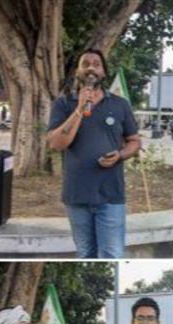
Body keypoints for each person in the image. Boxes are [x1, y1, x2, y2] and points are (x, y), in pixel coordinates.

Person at [48, 49, 141, 258]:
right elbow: (56, 144)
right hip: (77, 195)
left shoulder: (120, 105)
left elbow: (134, 141)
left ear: (104, 73)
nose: (91, 67)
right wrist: (80, 109)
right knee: (84, 254)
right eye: (85, 63)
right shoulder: (63, 104)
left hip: (111, 194)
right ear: (77, 72)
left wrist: (120, 155)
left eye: (96, 64)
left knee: (111, 253)